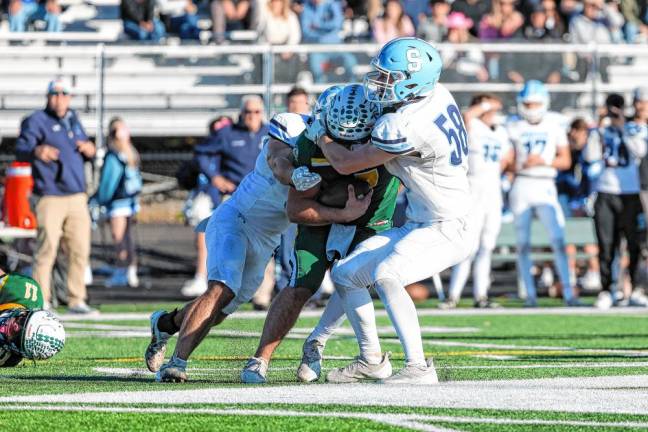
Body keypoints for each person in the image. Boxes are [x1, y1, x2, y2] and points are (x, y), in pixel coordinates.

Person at [145, 111, 369, 383]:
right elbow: (278, 160)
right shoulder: (293, 126)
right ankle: (176, 364)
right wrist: (294, 175)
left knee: (220, 310)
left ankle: (165, 323)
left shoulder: (340, 144)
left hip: (267, 239)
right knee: (221, 289)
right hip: (237, 220)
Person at [312, 37, 477, 384]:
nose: (380, 83)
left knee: (388, 274)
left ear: (412, 80)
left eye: (390, 77)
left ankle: (418, 367)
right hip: (423, 220)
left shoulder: (406, 124)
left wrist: (322, 135)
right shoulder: (435, 95)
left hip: (449, 225)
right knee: (345, 274)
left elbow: (346, 164)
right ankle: (370, 359)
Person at [240, 84, 399, 384]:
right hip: (324, 217)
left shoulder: (386, 138)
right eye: (338, 137)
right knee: (302, 284)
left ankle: (318, 341)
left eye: (356, 141)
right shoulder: (309, 144)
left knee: (352, 277)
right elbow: (296, 211)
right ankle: (260, 358)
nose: (347, 147)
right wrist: (342, 214)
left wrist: (354, 214)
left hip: (370, 218)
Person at [15, 78, 97, 315]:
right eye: (55, 93)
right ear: (48, 96)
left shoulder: (73, 119)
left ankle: (76, 299)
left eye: (64, 93)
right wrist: (36, 151)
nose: (59, 98)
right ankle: (42, 300)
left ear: (70, 97)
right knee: (47, 248)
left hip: (77, 195)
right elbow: (20, 149)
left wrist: (90, 150)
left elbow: (84, 148)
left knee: (79, 248)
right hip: (50, 194)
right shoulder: (37, 121)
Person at [181, 96, 268, 298]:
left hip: (263, 197)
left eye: (256, 112)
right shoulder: (227, 134)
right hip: (234, 197)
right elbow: (201, 153)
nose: (252, 116)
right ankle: (209, 279)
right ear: (241, 114)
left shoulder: (271, 133)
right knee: (222, 239)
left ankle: (261, 291)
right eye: (248, 112)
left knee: (264, 244)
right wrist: (215, 177)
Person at [504, 80, 581, 307]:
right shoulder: (513, 125)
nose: (530, 108)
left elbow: (566, 161)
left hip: (545, 184)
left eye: (535, 103)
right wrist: (518, 165)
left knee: (558, 239)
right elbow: (507, 163)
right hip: (522, 183)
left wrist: (543, 161)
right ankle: (529, 295)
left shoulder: (554, 125)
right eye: (527, 104)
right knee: (523, 243)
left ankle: (569, 292)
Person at [443, 94, 510, 309]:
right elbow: (465, 118)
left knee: (487, 247)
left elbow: (507, 158)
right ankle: (453, 295)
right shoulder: (474, 126)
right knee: (468, 246)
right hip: (473, 189)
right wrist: (486, 104)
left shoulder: (500, 132)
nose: (494, 114)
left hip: (493, 191)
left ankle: (481, 295)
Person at [593, 93, 648, 309]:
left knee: (634, 244)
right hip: (606, 191)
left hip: (631, 192)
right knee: (606, 244)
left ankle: (634, 288)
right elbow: (590, 156)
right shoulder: (602, 130)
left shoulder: (635, 128)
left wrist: (622, 126)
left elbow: (639, 150)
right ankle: (607, 288)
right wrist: (599, 126)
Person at [90, 117, 142, 288]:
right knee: (128, 238)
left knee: (119, 238)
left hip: (118, 202)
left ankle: (121, 272)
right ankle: (131, 270)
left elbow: (108, 182)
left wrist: (100, 199)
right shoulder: (131, 153)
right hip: (130, 201)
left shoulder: (114, 154)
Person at [0, 269, 65, 368]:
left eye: (17, 336)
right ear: (27, 313)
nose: (16, 326)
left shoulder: (7, 357)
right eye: (22, 321)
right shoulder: (18, 291)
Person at [301, 0, 357, 83]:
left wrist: (318, 26)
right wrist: (327, 31)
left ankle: (351, 92)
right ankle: (319, 95)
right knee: (316, 70)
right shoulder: (307, 7)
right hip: (318, 50)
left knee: (351, 62)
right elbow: (306, 32)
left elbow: (337, 24)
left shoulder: (333, 4)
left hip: (336, 48)